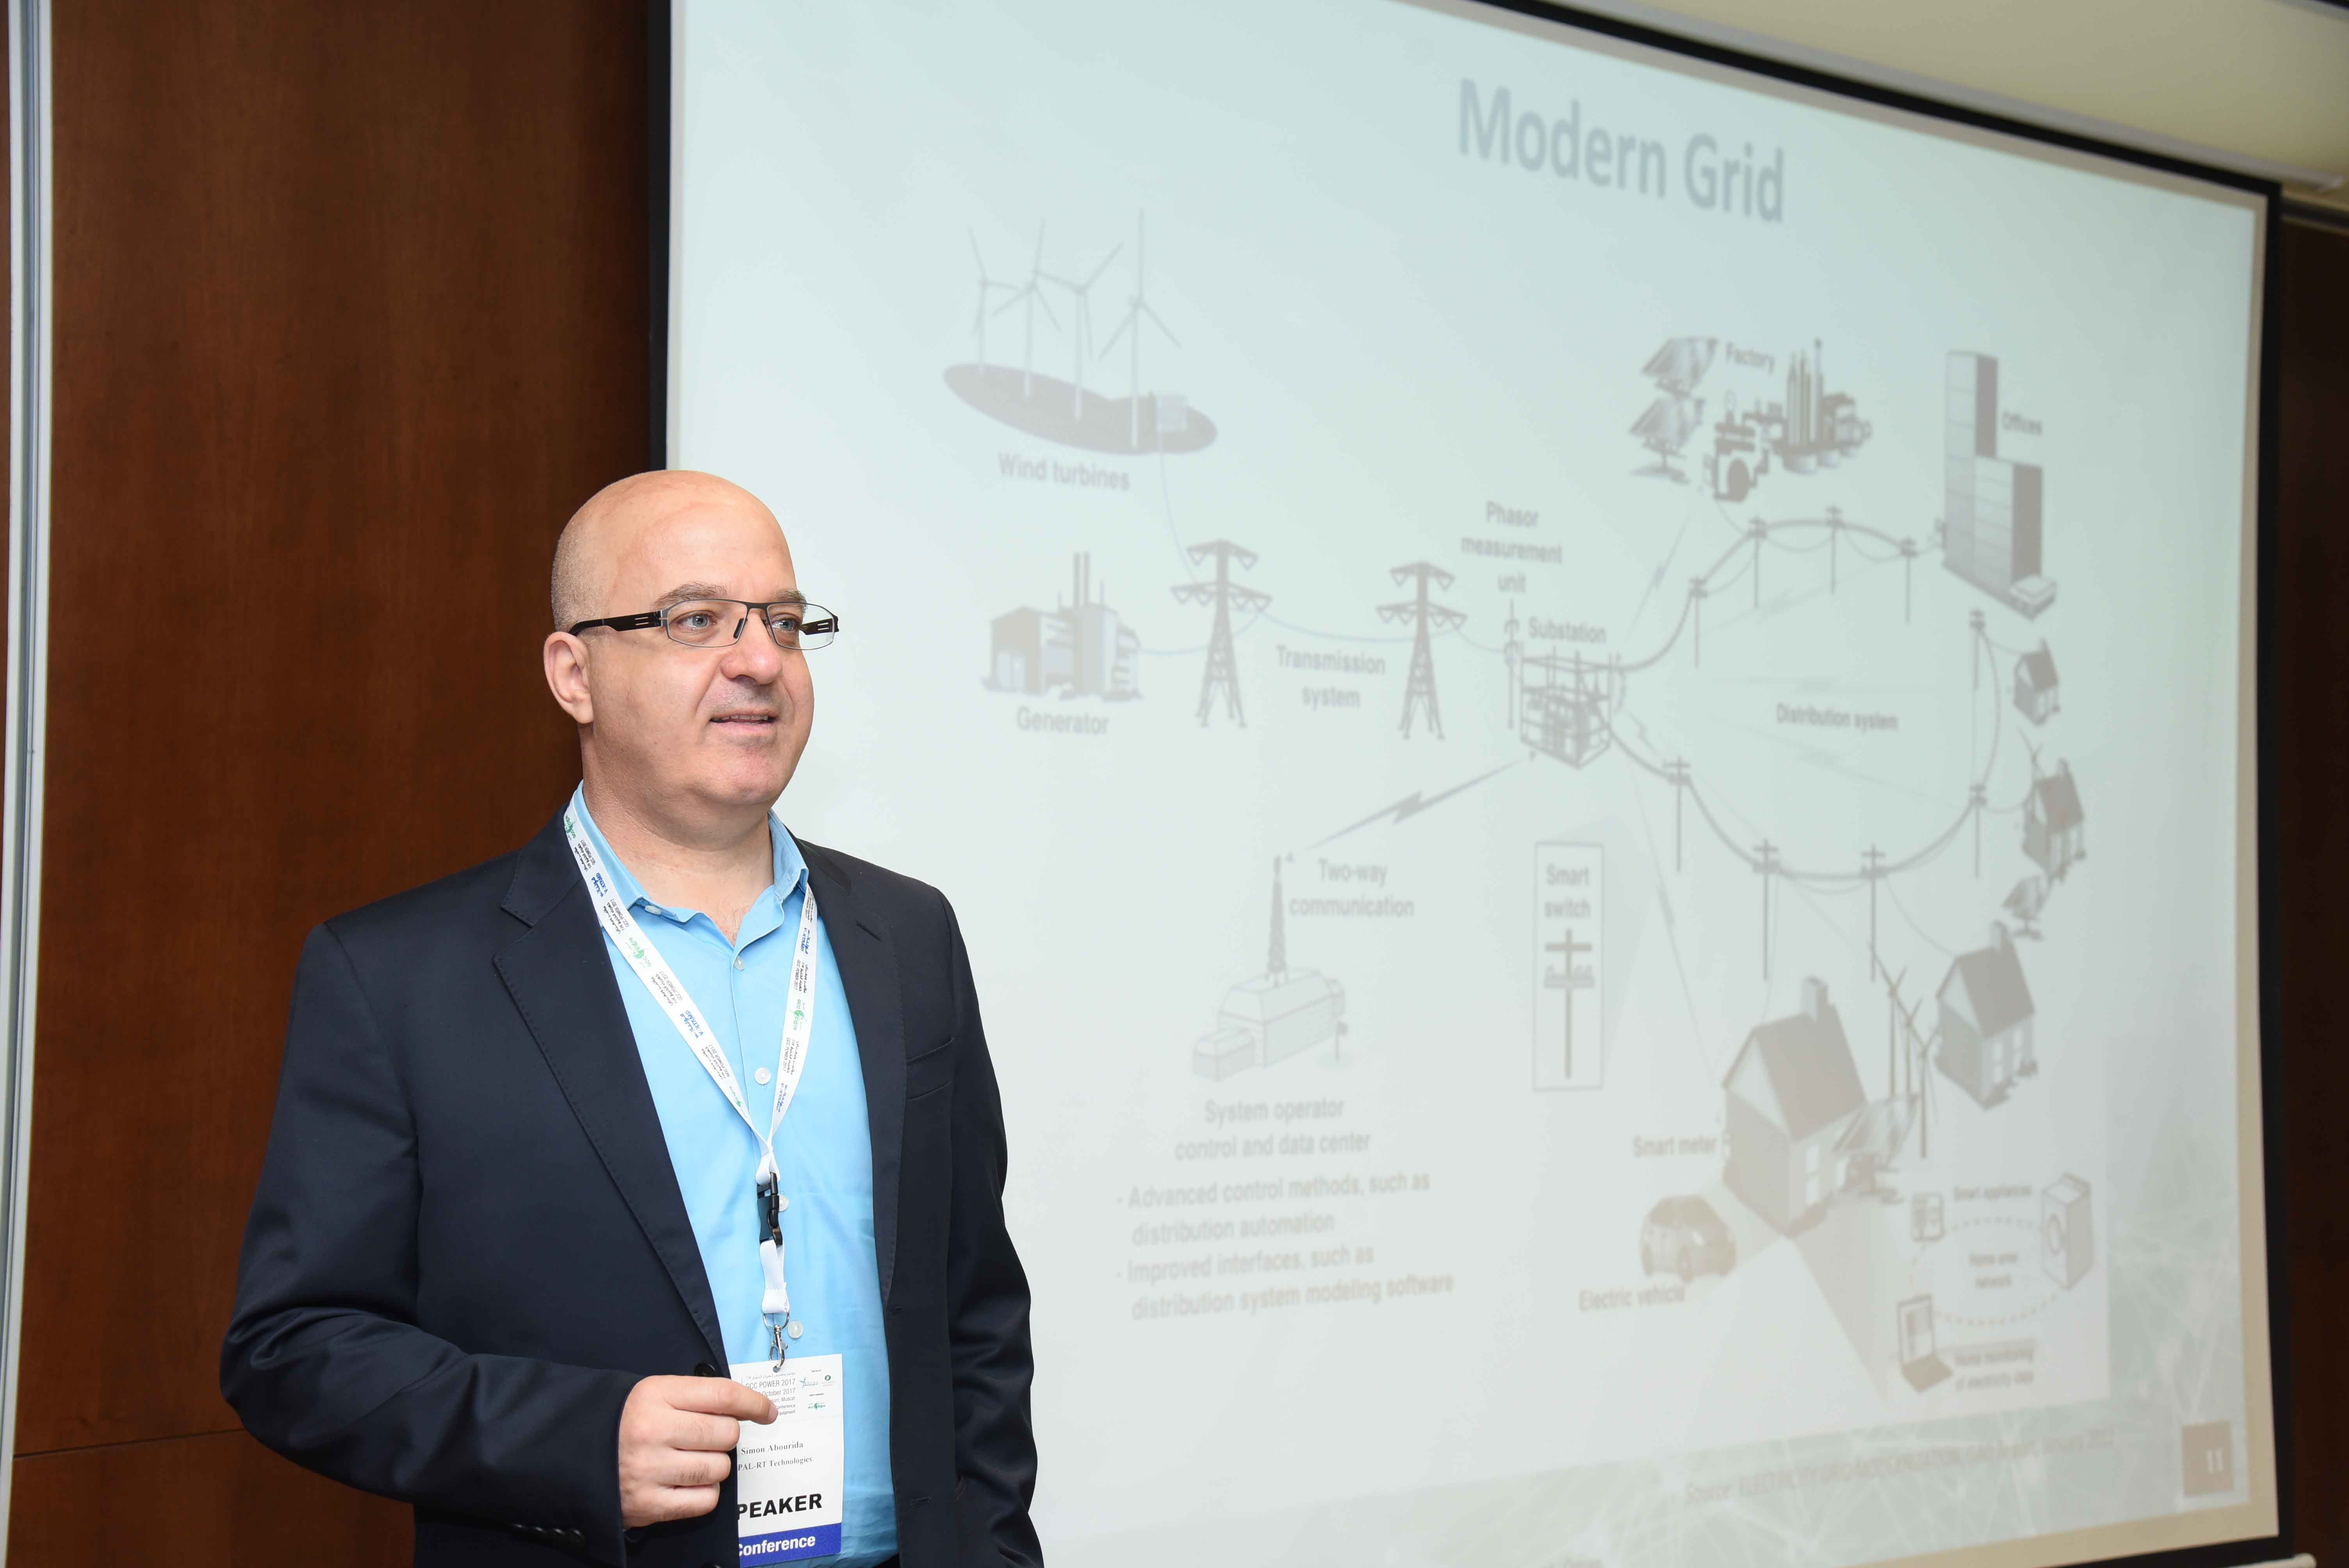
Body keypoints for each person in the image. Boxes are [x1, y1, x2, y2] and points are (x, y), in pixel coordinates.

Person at [221, 471, 1041, 1568]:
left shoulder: (908, 935)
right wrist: (573, 1443)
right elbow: (294, 1348)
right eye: (696, 620)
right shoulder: (399, 978)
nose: (759, 661)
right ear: (576, 675)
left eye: (783, 622)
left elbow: (975, 1311)